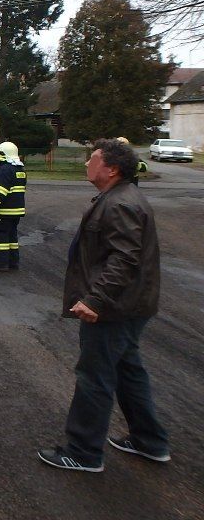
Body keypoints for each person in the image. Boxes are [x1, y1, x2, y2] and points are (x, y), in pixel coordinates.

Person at [37, 138, 169, 472]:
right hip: (129, 305)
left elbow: (124, 259)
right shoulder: (118, 197)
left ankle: (83, 452)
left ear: (110, 168)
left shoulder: (120, 203)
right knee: (128, 371)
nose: (86, 163)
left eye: (92, 158)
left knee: (95, 376)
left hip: (113, 308)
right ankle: (149, 441)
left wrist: (96, 299)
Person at [0, 141, 26, 272]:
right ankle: (13, 262)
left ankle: (0, 264)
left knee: (0, 238)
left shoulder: (4, 170)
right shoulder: (19, 170)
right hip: (15, 213)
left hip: (3, 212)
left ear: (3, 154)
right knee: (11, 238)